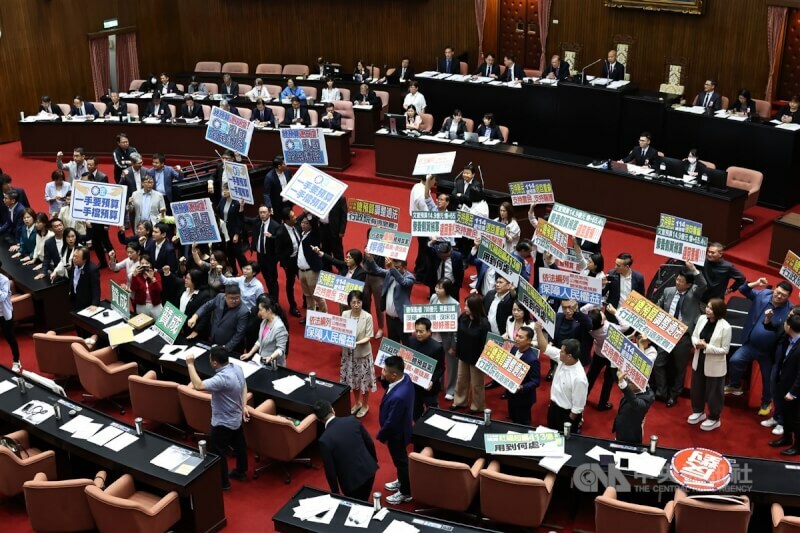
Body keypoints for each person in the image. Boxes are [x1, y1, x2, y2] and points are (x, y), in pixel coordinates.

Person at [726, 278, 794, 416]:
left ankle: (765, 403)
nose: (779, 296)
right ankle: (735, 385)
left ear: (788, 297)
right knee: (734, 360)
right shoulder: (763, 294)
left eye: (784, 295)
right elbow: (743, 289)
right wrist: (756, 283)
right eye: (778, 292)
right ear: (774, 289)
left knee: (768, 380)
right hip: (751, 345)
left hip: (769, 353)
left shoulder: (790, 309)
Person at [186, 346, 248, 490]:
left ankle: (223, 483)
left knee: (218, 452)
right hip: (236, 417)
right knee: (240, 445)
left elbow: (198, 385)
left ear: (214, 363)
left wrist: (190, 364)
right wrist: (243, 405)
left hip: (222, 422)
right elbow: (244, 386)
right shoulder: (237, 368)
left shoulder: (222, 379)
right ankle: (241, 471)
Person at [653, 262, 707, 407]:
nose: (677, 282)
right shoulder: (668, 291)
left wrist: (694, 269)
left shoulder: (694, 292)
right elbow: (659, 306)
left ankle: (674, 394)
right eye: (677, 279)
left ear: (688, 285)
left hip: (683, 336)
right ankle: (662, 391)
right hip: (666, 332)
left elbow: (703, 285)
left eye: (681, 281)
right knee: (658, 363)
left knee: (679, 368)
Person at [313, 400, 378, 501]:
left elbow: (330, 471)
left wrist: (335, 493)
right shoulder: (352, 420)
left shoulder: (324, 440)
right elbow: (369, 443)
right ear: (333, 410)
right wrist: (373, 461)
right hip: (369, 470)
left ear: (318, 419)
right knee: (364, 500)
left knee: (357, 505)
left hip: (351, 483)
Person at [534, 322, 589, 433]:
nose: (560, 352)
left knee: (565, 439)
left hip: (566, 414)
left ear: (569, 356)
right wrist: (538, 331)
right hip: (554, 407)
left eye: (562, 351)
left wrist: (570, 420)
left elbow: (578, 406)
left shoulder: (579, 378)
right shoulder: (562, 358)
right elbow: (545, 348)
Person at [687, 298, 731, 431]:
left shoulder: (726, 327)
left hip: (715, 364)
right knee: (697, 388)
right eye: (707, 307)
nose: (707, 310)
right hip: (699, 359)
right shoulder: (702, 319)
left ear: (718, 311)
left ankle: (714, 418)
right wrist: (696, 343)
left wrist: (706, 347)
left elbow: (725, 350)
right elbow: (694, 336)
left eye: (711, 308)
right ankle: (698, 411)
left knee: (714, 393)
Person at [378, 355, 415, 504]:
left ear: (393, 375)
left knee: (401, 461)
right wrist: (383, 379)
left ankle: (406, 492)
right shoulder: (405, 379)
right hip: (401, 429)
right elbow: (388, 388)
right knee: (400, 461)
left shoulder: (399, 397)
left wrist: (381, 436)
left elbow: (391, 422)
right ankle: (401, 480)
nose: (382, 371)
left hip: (396, 435)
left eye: (385, 370)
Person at [363, 254, 414, 343]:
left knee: (406, 343)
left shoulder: (410, 277)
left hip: (402, 318)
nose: (395, 269)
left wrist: (392, 269)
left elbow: (403, 282)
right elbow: (377, 269)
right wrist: (371, 259)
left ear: (405, 267)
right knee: (393, 342)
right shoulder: (390, 273)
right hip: (390, 317)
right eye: (394, 267)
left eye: (398, 268)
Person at [340, 290, 376, 418]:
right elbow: (340, 330)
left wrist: (355, 343)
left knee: (364, 382)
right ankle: (357, 403)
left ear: (362, 302)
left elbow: (368, 336)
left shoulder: (367, 317)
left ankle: (365, 405)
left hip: (362, 355)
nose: (356, 305)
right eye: (353, 302)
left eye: (359, 302)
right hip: (348, 355)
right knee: (353, 381)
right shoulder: (345, 314)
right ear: (349, 303)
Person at [452, 294, 490, 413]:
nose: (465, 308)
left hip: (477, 359)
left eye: (467, 306)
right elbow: (458, 335)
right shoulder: (463, 318)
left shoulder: (484, 324)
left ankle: (477, 406)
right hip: (463, 355)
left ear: (475, 307)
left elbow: (486, 343)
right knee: (461, 380)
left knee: (477, 384)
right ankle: (460, 401)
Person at [769, 314, 800, 455]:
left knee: (796, 419)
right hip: (784, 383)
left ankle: (797, 446)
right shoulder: (789, 340)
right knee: (786, 415)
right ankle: (786, 438)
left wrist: (793, 392)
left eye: (786, 324)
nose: (784, 326)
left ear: (790, 327)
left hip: (794, 390)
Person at [187, 284, 250, 351]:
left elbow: (239, 334)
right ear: (225, 296)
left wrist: (226, 348)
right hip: (213, 341)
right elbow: (206, 306)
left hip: (229, 347)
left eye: (237, 298)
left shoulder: (243, 311)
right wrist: (195, 317)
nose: (234, 301)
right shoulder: (219, 297)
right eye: (231, 298)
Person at [407, 317, 445, 420]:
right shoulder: (411, 341)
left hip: (429, 387)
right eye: (416, 331)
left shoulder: (437, 347)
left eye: (421, 331)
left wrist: (432, 381)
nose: (418, 334)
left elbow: (440, 368)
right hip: (414, 385)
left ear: (429, 331)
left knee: (433, 414)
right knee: (415, 412)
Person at [430, 279, 460, 401]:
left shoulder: (454, 304)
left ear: (447, 290)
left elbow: (456, 328)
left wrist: (454, 345)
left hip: (448, 338)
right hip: (434, 336)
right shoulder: (433, 298)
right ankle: (438, 384)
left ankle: (451, 389)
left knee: (452, 365)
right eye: (437, 286)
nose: (437, 290)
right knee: (436, 362)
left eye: (440, 288)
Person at [505, 326, 540, 425]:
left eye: (521, 337)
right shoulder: (514, 349)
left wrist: (521, 387)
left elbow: (535, 381)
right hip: (511, 393)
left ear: (529, 341)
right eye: (517, 335)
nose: (516, 339)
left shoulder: (532, 359)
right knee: (513, 417)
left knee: (522, 423)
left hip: (523, 398)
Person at [296, 214, 327, 318]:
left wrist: (309, 214)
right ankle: (310, 317)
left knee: (317, 296)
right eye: (302, 223)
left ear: (311, 225)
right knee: (308, 296)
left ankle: (324, 316)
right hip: (301, 271)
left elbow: (315, 223)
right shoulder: (302, 233)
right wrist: (304, 213)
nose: (303, 225)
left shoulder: (314, 234)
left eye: (306, 223)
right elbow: (297, 220)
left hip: (311, 271)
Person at [241, 299, 289, 367]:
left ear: (269, 310)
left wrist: (270, 357)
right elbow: (260, 341)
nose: (259, 313)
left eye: (261, 310)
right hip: (263, 361)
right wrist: (250, 353)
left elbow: (281, 349)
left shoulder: (279, 327)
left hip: (274, 364)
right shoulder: (264, 321)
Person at [613, 369, 655, 444]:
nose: (627, 382)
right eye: (627, 380)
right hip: (621, 428)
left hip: (631, 437)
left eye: (630, 382)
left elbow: (635, 402)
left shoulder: (646, 399)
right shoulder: (635, 387)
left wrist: (622, 384)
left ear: (640, 384)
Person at [274, 207, 301, 317]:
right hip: (290, 262)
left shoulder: (297, 226)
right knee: (290, 283)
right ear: (286, 220)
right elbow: (278, 251)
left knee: (305, 282)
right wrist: (285, 264)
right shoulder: (280, 232)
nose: (295, 217)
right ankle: (292, 306)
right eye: (292, 217)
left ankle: (306, 302)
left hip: (301, 259)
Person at [217, 183, 247, 275]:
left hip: (234, 232)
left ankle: (246, 271)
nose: (225, 192)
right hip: (225, 232)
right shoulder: (222, 200)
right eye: (224, 190)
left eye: (227, 190)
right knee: (229, 255)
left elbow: (240, 220)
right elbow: (217, 211)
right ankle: (234, 272)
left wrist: (237, 234)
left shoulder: (236, 202)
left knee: (238, 254)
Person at [0, 261, 21, 372]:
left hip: (5, 314)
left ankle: (16, 361)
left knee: (10, 338)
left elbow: (2, 297)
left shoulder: (4, 280)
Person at [130, 255, 163, 319]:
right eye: (142, 263)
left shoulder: (156, 274)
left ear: (151, 264)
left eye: (147, 263)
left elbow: (159, 289)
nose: (144, 265)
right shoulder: (137, 275)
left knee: (159, 323)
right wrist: (134, 276)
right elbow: (133, 289)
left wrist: (152, 279)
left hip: (155, 305)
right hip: (141, 305)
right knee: (142, 323)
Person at [68, 247, 100, 311]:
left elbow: (95, 288)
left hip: (86, 302)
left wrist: (94, 304)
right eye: (74, 256)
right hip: (74, 298)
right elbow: (73, 279)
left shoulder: (92, 270)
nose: (74, 259)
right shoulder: (74, 264)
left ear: (84, 259)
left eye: (77, 257)